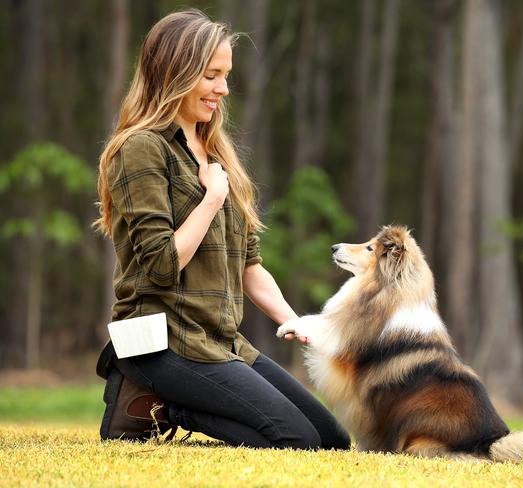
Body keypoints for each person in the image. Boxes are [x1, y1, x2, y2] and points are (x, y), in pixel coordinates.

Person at [94, 9, 350, 450]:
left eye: (226, 76)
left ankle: (173, 401)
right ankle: (162, 404)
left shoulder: (216, 153)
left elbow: (249, 264)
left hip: (220, 338)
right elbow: (159, 266)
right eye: (212, 76)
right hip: (161, 341)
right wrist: (211, 198)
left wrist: (294, 320)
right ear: (176, 71)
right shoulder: (141, 148)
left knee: (331, 439)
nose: (224, 89)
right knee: (296, 440)